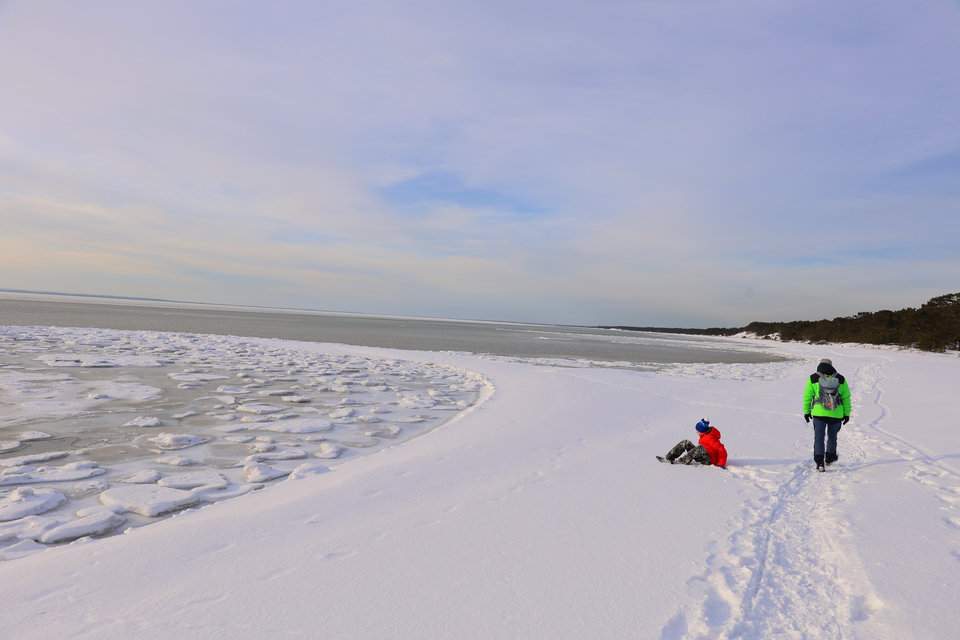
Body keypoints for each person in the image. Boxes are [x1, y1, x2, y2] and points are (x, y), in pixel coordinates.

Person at [803, 358, 851, 471]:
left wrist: (806, 411)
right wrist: (846, 414)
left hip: (819, 414)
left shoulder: (813, 378)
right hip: (836, 414)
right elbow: (846, 398)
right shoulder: (841, 379)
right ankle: (830, 458)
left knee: (819, 438)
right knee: (832, 436)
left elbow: (807, 397)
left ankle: (820, 462)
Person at [658, 419, 727, 468]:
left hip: (709, 460)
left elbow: (722, 450)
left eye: (697, 431)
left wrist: (720, 464)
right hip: (702, 455)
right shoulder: (704, 435)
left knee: (700, 448)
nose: (696, 432)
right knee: (686, 442)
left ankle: (683, 461)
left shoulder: (711, 438)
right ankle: (669, 457)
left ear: (702, 432)